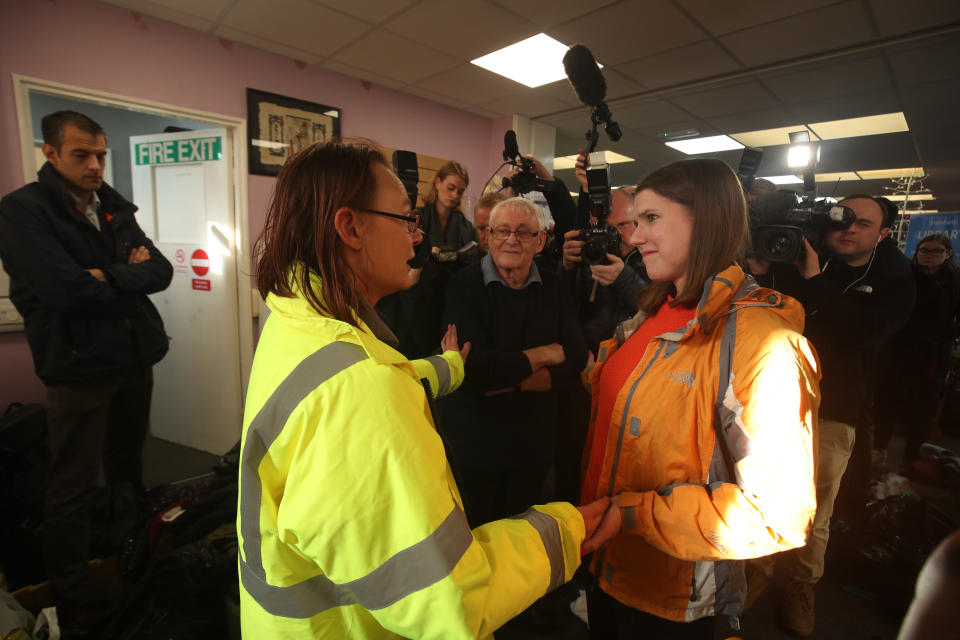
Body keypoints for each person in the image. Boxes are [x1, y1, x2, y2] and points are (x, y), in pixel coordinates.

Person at [238, 139, 617, 639]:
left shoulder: (298, 323)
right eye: (404, 219)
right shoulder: (359, 388)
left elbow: (372, 384)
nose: (417, 239)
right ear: (350, 227)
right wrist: (569, 530)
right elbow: (448, 600)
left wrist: (448, 368)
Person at [579, 158, 820, 639]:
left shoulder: (762, 341)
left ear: (706, 219)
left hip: (671, 599)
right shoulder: (650, 313)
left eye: (651, 219)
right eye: (635, 221)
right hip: (607, 564)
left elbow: (779, 513)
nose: (633, 237)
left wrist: (633, 513)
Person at [0, 111, 172, 628]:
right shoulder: (22, 210)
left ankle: (129, 557)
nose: (96, 164)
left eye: (99, 154)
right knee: (71, 483)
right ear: (50, 154)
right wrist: (127, 274)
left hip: (133, 357)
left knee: (127, 467)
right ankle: (74, 596)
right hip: (77, 368)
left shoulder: (112, 204)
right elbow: (60, 289)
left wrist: (107, 274)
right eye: (82, 155)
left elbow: (159, 271)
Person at [745, 193, 916, 636]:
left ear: (882, 234)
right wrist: (759, 274)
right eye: (842, 218)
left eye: (863, 223)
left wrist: (814, 278)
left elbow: (862, 330)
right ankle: (757, 573)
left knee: (815, 507)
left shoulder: (895, 277)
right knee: (759, 494)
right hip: (772, 396)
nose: (848, 228)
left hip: (837, 407)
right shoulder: (794, 251)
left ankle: (802, 586)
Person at [439, 196, 588, 528]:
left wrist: (512, 380)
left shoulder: (555, 285)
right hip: (475, 445)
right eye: (502, 230)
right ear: (488, 236)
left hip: (532, 446)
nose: (511, 239)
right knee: (476, 542)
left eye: (523, 232)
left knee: (523, 546)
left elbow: (576, 357)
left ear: (540, 240)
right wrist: (542, 355)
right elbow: (475, 371)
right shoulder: (463, 286)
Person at [873, 233, 960, 469]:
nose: (928, 256)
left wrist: (946, 332)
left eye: (935, 251)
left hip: (932, 356)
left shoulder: (954, 280)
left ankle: (912, 458)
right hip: (898, 350)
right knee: (887, 402)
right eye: (924, 251)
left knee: (922, 408)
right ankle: (878, 449)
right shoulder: (906, 277)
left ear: (948, 254)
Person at [376, 161, 475, 359]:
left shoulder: (465, 226)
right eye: (451, 188)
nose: (455, 195)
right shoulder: (417, 218)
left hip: (448, 297)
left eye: (460, 191)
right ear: (437, 183)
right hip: (414, 297)